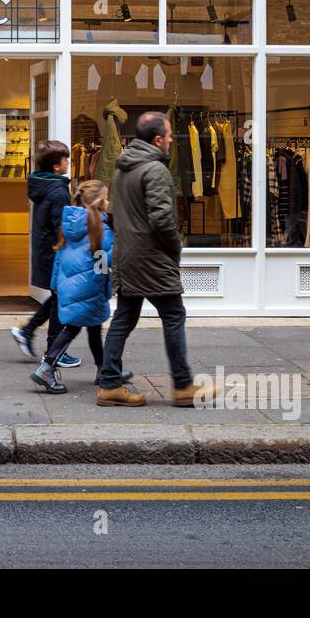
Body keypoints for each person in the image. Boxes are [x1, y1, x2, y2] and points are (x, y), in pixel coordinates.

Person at [97, 111, 216, 407]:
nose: (173, 141)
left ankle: (110, 383)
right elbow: (162, 219)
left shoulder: (123, 168)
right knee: (174, 315)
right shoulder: (155, 170)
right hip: (151, 257)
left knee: (124, 318)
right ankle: (183, 385)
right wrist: (175, 246)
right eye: (171, 136)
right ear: (158, 139)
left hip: (128, 254)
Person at [32, 181, 128, 394]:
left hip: (70, 284)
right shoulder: (100, 228)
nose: (109, 201)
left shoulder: (71, 223)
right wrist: (107, 286)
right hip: (89, 287)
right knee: (74, 328)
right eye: (106, 198)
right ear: (100, 203)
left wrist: (55, 283)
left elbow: (59, 254)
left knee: (93, 329)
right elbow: (104, 261)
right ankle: (47, 367)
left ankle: (104, 370)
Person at [10, 139, 80, 366]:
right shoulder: (58, 190)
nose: (69, 162)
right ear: (56, 166)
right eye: (66, 159)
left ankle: (29, 332)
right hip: (55, 252)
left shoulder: (43, 185)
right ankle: (54, 351)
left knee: (59, 296)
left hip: (45, 249)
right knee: (61, 297)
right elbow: (62, 225)